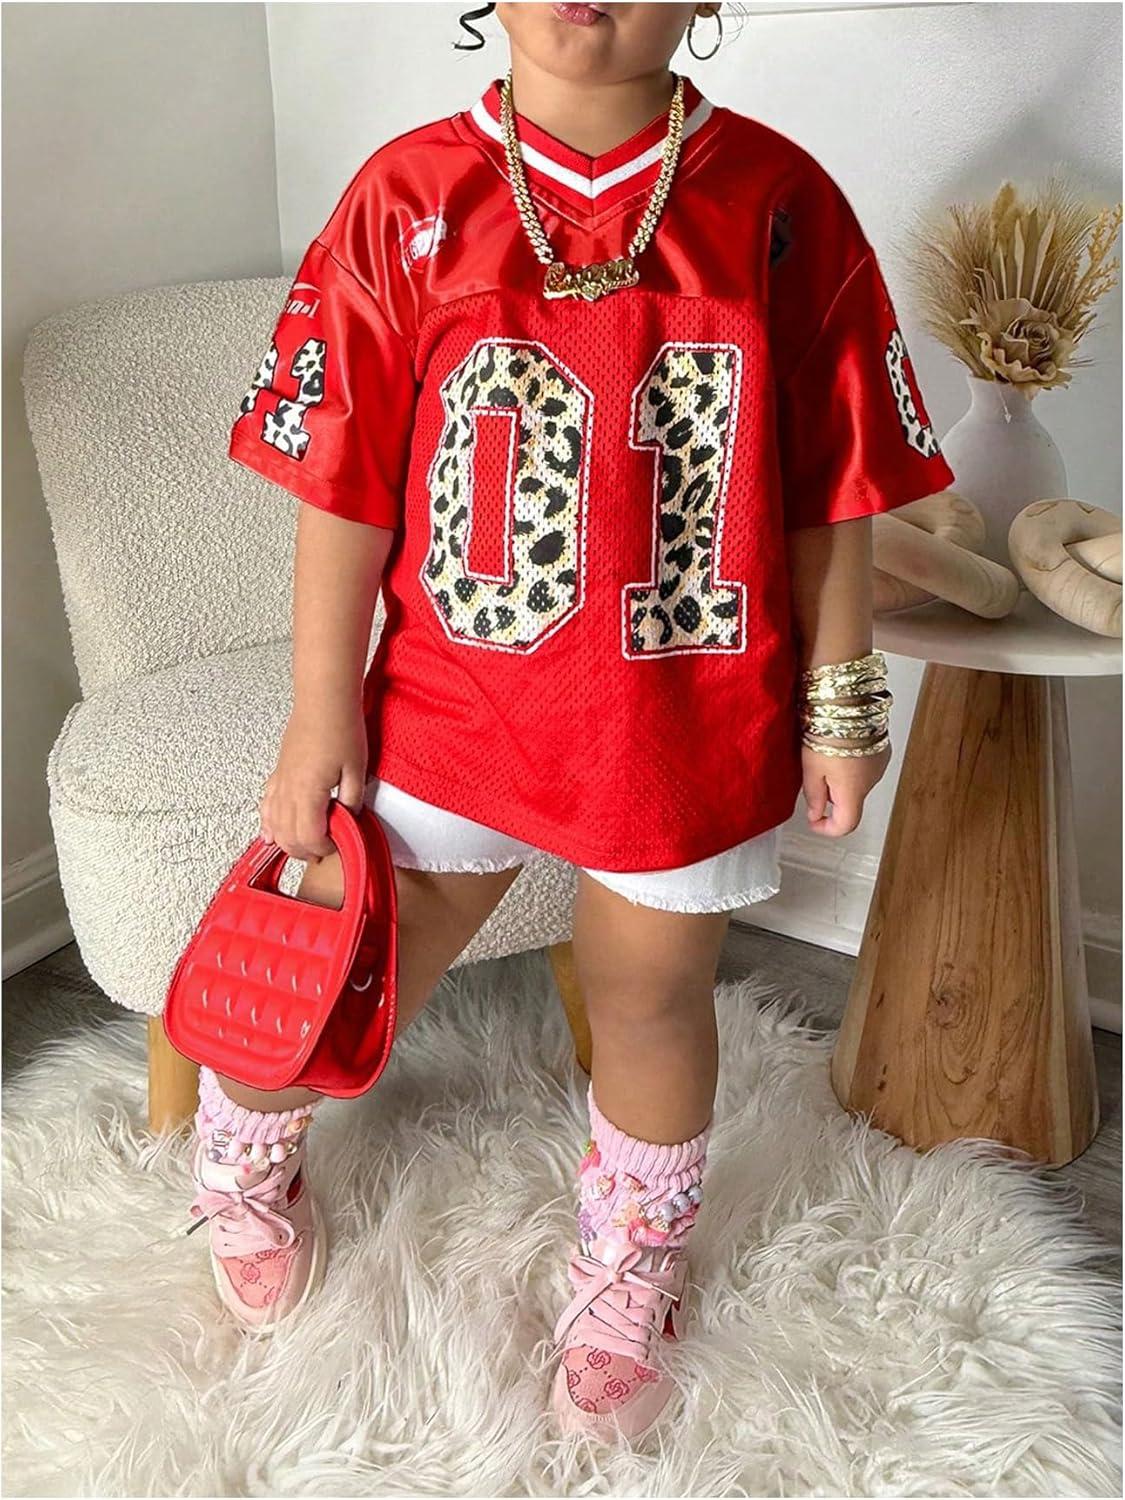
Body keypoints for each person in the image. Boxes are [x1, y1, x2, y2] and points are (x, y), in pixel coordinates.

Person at [191, 0, 953, 1440]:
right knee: (335, 964)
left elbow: (831, 484)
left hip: (684, 704)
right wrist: (315, 713)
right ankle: (237, 1157)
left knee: (650, 996)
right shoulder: (407, 196)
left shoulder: (779, 200)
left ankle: (631, 1260)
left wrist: (841, 701)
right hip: (455, 694)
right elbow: (344, 481)